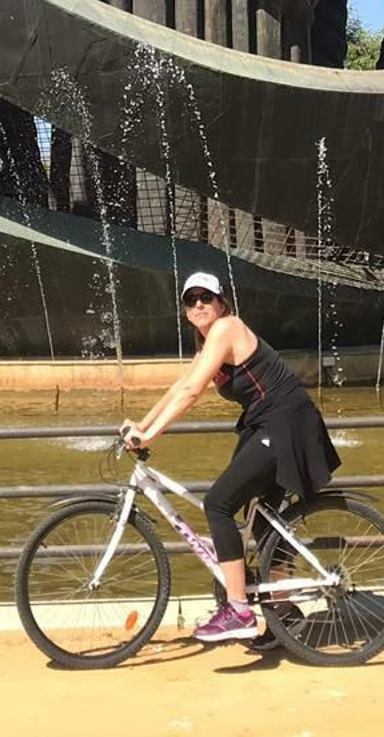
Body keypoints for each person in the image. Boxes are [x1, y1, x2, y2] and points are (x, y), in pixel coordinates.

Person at [122, 270, 341, 644]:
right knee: (264, 521)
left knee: (218, 505)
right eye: (191, 300)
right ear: (185, 310)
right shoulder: (208, 345)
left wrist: (151, 435)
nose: (199, 305)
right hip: (267, 423)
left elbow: (192, 392)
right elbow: (180, 386)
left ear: (222, 303)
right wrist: (140, 424)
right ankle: (284, 613)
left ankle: (239, 610)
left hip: (284, 422)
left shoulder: (227, 328)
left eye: (206, 297)